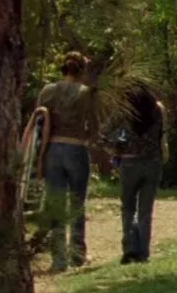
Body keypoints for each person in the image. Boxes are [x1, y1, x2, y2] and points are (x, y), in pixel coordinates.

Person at [35, 52, 100, 271]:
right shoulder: (87, 94)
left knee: (56, 204)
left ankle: (58, 259)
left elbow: (39, 121)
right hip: (76, 147)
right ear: (81, 70)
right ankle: (77, 254)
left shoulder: (48, 91)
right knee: (77, 203)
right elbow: (94, 126)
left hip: (53, 149)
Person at [111, 86, 168, 263]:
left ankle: (129, 247)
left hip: (129, 162)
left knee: (128, 208)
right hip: (152, 162)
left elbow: (105, 134)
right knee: (145, 210)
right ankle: (143, 252)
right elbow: (163, 136)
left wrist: (115, 150)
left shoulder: (124, 112)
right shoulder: (158, 110)